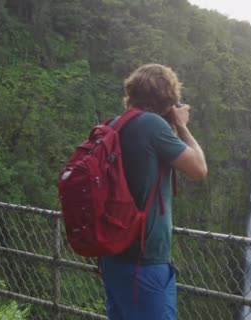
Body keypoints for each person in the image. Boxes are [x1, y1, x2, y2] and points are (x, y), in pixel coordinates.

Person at [99, 63, 207, 320]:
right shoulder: (151, 125)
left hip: (113, 255)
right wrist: (181, 126)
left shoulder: (116, 124)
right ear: (169, 99)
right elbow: (199, 169)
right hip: (144, 261)